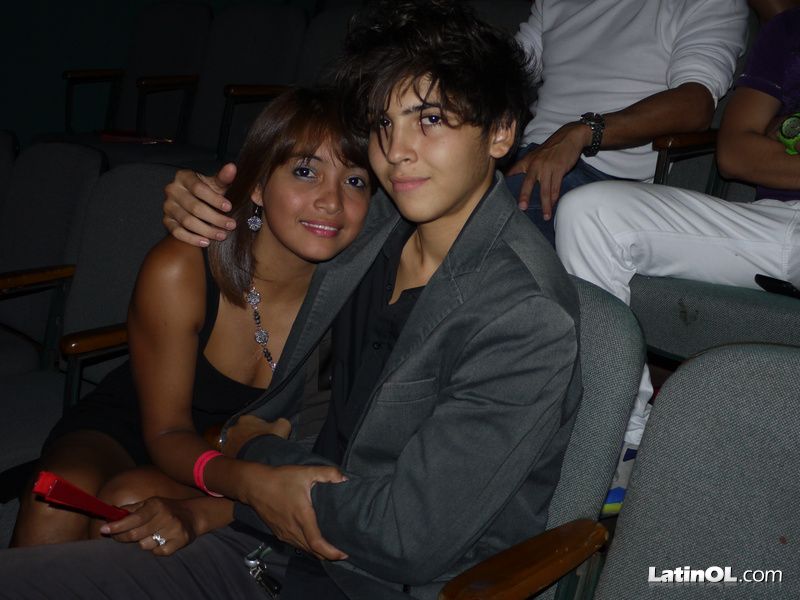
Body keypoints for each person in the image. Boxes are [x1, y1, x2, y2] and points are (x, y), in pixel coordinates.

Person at [0, 2, 582, 598]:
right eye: (383, 124)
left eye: (429, 119)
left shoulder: (524, 317)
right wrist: (195, 196)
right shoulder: (376, 225)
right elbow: (287, 198)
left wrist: (254, 453)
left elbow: (406, 538)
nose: (396, 151)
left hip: (356, 579)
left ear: (502, 131)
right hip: (264, 541)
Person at [10, 88, 371, 550]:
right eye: (305, 171)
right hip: (144, 422)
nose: (332, 200)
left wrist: (244, 490)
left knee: (131, 500)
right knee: (56, 498)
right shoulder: (181, 268)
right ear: (257, 185)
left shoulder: (360, 294)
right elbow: (166, 431)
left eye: (355, 180)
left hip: (243, 452)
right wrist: (249, 485)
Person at [553, 0, 800, 507]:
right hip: (777, 223)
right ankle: (625, 439)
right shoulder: (789, 31)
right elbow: (735, 152)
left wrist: (781, 137)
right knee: (589, 211)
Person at [504, 0, 749, 245]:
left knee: (495, 222)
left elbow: (695, 104)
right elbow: (509, 73)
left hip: (603, 177)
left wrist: (585, 132)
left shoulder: (708, 3)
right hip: (523, 156)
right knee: (487, 208)